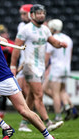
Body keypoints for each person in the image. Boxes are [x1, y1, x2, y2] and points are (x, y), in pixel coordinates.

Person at [10, 4, 66, 132]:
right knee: (39, 95)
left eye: (43, 13)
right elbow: (16, 48)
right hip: (29, 65)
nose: (41, 15)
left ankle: (23, 124)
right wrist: (13, 66)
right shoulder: (25, 29)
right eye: (38, 13)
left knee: (31, 95)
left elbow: (53, 42)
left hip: (40, 66)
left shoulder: (45, 29)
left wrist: (60, 44)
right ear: (32, 15)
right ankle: (48, 122)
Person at [44, 19, 78, 121]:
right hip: (66, 68)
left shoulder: (52, 39)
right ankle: (68, 106)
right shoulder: (68, 38)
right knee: (62, 90)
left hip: (56, 68)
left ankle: (58, 116)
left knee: (55, 94)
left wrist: (44, 68)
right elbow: (70, 55)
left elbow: (47, 56)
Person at [17, 4, 33, 132]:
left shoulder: (38, 28)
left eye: (24, 13)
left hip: (31, 63)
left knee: (30, 93)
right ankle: (27, 120)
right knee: (24, 91)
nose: (22, 16)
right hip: (23, 62)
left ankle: (26, 121)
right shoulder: (21, 26)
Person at [0, 24, 15, 118]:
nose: (4, 35)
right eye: (2, 33)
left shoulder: (11, 43)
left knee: (6, 92)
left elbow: (14, 53)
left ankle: (2, 110)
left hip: (8, 69)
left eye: (5, 33)